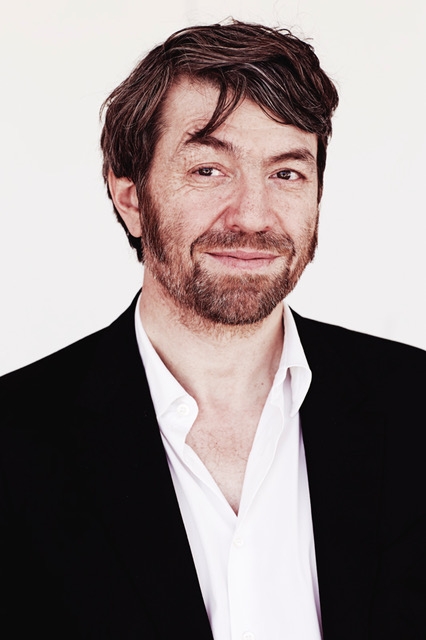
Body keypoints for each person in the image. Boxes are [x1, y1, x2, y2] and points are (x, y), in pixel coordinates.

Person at [0, 20, 425, 640]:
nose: (252, 216)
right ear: (130, 197)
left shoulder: (415, 404)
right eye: (208, 170)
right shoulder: (15, 442)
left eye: (286, 173)